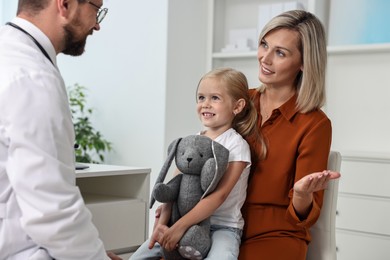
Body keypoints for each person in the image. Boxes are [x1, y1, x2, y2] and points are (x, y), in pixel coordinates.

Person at [0, 0, 121, 259]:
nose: (97, 24)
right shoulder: (33, 77)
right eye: (95, 9)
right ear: (64, 4)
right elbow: (50, 212)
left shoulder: (10, 54)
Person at [238, 10, 341, 259]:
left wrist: (303, 194)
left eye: (281, 53)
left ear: (304, 63)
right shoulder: (239, 102)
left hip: (276, 235)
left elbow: (305, 216)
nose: (266, 58)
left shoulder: (315, 124)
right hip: (221, 224)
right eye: (265, 45)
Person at [130, 67, 258, 260]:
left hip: (223, 226)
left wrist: (178, 228)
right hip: (185, 223)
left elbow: (219, 196)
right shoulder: (193, 142)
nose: (205, 104)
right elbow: (174, 187)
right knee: (140, 255)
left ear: (237, 106)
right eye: (201, 98)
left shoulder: (236, 145)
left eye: (215, 98)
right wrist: (164, 226)